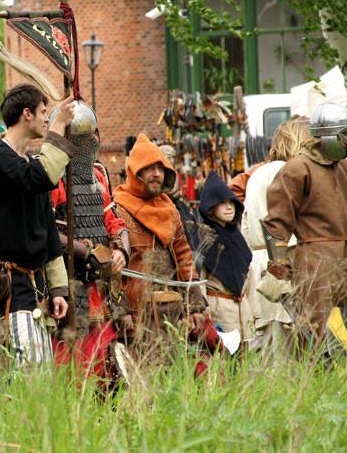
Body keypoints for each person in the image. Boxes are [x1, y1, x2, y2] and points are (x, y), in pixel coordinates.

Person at [262, 102, 347, 337]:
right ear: (325, 136)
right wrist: (280, 269)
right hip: (315, 260)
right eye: (344, 136)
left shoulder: (346, 167)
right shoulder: (297, 169)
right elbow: (276, 222)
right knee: (318, 331)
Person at [0, 83, 75, 368]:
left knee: (39, 372)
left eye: (49, 114)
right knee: (16, 377)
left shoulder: (30, 164)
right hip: (3, 286)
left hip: (34, 288)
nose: (47, 117)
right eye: (45, 112)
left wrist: (58, 289)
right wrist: (58, 127)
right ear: (27, 114)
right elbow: (39, 177)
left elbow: (48, 233)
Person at [46, 101, 132, 380]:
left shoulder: (98, 175)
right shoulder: (54, 177)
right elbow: (45, 229)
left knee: (104, 351)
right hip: (69, 280)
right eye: (84, 138)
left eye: (94, 135)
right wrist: (85, 251)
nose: (92, 142)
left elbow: (114, 220)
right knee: (73, 353)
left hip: (100, 282)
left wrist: (120, 250)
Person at [113, 134, 207, 328]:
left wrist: (196, 307)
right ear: (136, 172)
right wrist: (121, 309)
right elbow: (112, 270)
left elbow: (184, 259)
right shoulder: (117, 210)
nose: (157, 174)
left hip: (174, 313)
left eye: (160, 168)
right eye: (149, 168)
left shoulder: (170, 211)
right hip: (137, 316)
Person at [241, 118, 309, 350]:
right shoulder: (287, 172)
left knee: (267, 346)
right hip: (283, 260)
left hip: (260, 262)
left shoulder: (256, 175)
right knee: (290, 348)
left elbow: (247, 230)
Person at [196, 171, 253, 341]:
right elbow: (199, 283)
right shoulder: (202, 238)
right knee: (222, 365)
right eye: (222, 203)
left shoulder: (237, 236)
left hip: (244, 312)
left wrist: (255, 315)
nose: (229, 207)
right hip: (219, 313)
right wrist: (206, 319)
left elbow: (249, 278)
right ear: (210, 208)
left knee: (247, 364)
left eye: (231, 202)